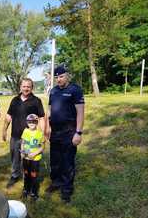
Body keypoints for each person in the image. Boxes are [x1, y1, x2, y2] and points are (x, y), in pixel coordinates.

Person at [45, 64, 85, 203]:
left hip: (69, 131)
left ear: (67, 75)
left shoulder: (75, 90)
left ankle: (67, 190)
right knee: (55, 160)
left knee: (67, 161)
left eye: (61, 76)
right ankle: (56, 182)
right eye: (56, 77)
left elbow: (80, 112)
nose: (59, 80)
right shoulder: (53, 91)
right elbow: (49, 110)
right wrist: (48, 127)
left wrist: (78, 132)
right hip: (55, 131)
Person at [2, 78, 45, 188]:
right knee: (15, 157)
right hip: (15, 135)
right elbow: (8, 116)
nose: (26, 88)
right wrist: (4, 130)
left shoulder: (36, 101)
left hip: (30, 137)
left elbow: (41, 118)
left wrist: (43, 133)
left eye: (28, 87)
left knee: (30, 158)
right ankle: (15, 175)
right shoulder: (15, 100)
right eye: (24, 86)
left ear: (32, 88)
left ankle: (29, 177)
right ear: (20, 87)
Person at [21, 114, 45, 201]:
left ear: (37, 122)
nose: (31, 123)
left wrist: (35, 153)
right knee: (26, 174)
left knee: (34, 175)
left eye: (34, 121)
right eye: (29, 122)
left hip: (35, 159)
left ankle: (34, 192)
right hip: (26, 158)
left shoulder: (39, 133)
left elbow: (42, 147)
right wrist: (22, 152)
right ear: (27, 122)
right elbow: (23, 143)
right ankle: (26, 189)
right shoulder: (25, 131)